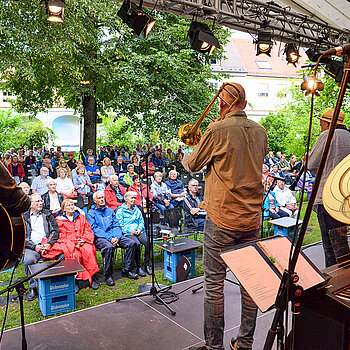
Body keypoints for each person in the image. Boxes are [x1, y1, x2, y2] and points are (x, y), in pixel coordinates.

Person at [183, 82, 267, 350]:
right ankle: (244, 343)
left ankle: (214, 346)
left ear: (222, 103)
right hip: (252, 217)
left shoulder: (216, 129)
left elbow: (194, 164)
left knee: (214, 284)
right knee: (249, 283)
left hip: (221, 218)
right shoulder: (261, 131)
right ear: (243, 102)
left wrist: (186, 153)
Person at [309, 108, 350, 267]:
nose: (320, 128)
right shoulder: (349, 136)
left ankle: (333, 285)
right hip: (344, 198)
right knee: (341, 242)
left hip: (327, 198)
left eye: (321, 124)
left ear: (326, 123)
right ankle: (345, 280)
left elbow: (311, 164)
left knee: (330, 248)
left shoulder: (327, 135)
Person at [87, 191, 138, 283]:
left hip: (115, 235)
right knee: (108, 247)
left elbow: (117, 225)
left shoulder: (110, 211)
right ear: (95, 201)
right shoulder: (91, 214)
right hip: (101, 237)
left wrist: (117, 237)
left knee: (131, 243)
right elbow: (94, 229)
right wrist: (109, 238)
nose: (102, 199)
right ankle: (108, 275)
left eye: (103, 197)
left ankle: (127, 270)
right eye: (99, 198)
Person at [22, 193, 61, 301]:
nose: (40, 203)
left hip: (48, 245)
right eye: (37, 201)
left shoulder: (47, 214)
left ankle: (58, 284)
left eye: (41, 201)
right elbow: (22, 236)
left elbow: (55, 230)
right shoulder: (24, 217)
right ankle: (33, 287)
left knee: (62, 256)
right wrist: (34, 247)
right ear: (30, 204)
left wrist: (49, 243)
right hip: (32, 247)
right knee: (28, 260)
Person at [55, 199, 99, 292]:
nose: (71, 207)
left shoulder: (81, 217)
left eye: (72, 205)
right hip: (70, 243)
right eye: (68, 205)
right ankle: (74, 281)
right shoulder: (59, 220)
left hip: (83, 241)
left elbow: (88, 230)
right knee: (74, 255)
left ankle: (93, 276)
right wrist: (74, 241)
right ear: (64, 209)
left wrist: (83, 239)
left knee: (89, 251)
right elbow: (61, 235)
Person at [116, 191, 152, 276]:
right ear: (126, 199)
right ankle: (138, 267)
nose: (134, 200)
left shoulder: (136, 209)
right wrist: (130, 231)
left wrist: (140, 228)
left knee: (147, 241)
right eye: (132, 198)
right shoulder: (120, 211)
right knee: (137, 244)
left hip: (138, 231)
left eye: (134, 198)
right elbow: (120, 225)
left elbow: (141, 221)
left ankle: (147, 265)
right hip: (128, 233)